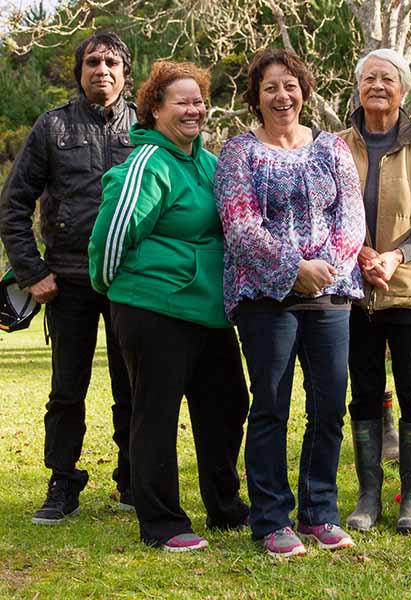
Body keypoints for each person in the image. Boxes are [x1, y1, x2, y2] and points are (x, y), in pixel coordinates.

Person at [88, 61, 250, 551]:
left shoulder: (209, 163)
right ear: (154, 109)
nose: (194, 109)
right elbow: (110, 237)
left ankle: (225, 507)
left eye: (198, 100)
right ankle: (163, 523)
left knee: (228, 402)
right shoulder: (146, 164)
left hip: (207, 308)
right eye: (181, 101)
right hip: (153, 306)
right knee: (155, 413)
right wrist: (118, 291)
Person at [214, 48, 365, 558]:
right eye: (270, 87)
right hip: (265, 297)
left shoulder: (332, 149)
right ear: (256, 97)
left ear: (305, 90)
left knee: (329, 406)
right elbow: (238, 225)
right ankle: (271, 518)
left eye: (290, 85)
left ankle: (320, 512)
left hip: (330, 297)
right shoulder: (239, 152)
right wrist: (291, 270)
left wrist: (322, 272)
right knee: (271, 406)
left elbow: (351, 220)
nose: (282, 96)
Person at [0, 31, 135, 524]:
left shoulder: (145, 126)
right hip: (68, 282)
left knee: (134, 386)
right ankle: (62, 481)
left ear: (126, 71)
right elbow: (14, 205)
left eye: (112, 62)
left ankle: (133, 478)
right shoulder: (52, 127)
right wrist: (33, 272)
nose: (102, 69)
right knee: (66, 390)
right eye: (92, 62)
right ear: (80, 72)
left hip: (129, 281)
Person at [339, 48, 411, 534]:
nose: (377, 86)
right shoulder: (337, 145)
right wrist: (362, 254)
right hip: (354, 288)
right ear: (358, 87)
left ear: (404, 90)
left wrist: (395, 255)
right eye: (369, 78)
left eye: (387, 78)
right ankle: (369, 495)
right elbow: (327, 213)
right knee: (364, 391)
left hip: (410, 287)